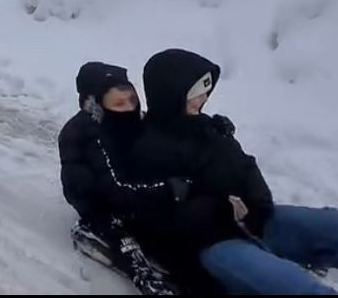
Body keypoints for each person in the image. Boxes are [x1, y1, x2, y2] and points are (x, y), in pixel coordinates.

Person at [129, 49, 338, 295]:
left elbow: (245, 165)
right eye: (194, 95)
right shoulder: (148, 149)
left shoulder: (209, 129)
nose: (202, 100)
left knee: (329, 225)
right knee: (298, 289)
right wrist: (222, 209)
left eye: (205, 93)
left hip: (256, 222)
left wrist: (258, 201)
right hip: (213, 246)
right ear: (171, 96)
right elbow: (163, 220)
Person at [59, 62, 185, 295]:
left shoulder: (134, 122)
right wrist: (166, 191)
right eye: (119, 103)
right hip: (95, 195)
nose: (128, 108)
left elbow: (172, 134)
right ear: (96, 105)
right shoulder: (85, 132)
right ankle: (139, 271)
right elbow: (114, 187)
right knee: (119, 225)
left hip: (129, 188)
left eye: (132, 101)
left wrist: (209, 131)